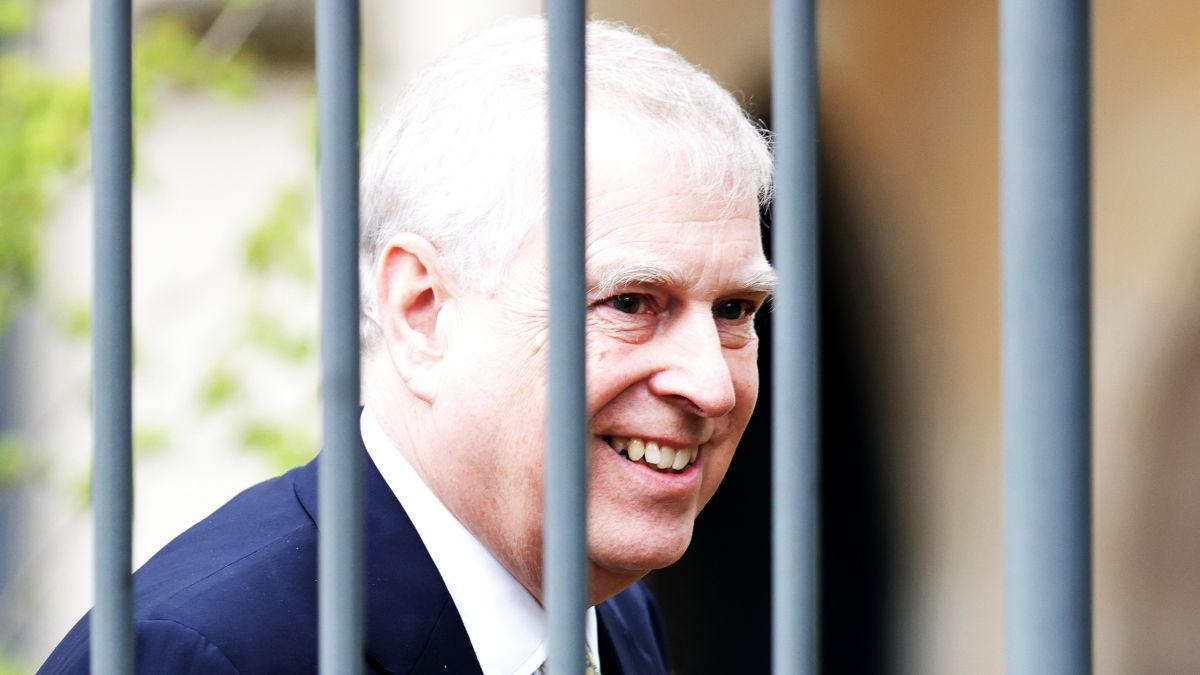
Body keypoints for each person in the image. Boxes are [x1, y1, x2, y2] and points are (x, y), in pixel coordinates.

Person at [41, 16, 774, 674]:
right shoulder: (204, 655)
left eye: (736, 309)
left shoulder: (613, 616)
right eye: (631, 302)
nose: (710, 383)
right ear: (421, 309)